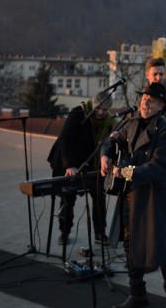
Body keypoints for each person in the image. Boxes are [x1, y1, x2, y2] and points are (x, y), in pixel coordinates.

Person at [100, 82, 166, 308]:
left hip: (153, 196)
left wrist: (125, 173)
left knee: (162, 248)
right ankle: (137, 293)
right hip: (130, 193)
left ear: (161, 105)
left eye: (151, 99)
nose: (145, 101)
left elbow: (159, 167)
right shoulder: (131, 121)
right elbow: (113, 140)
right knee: (129, 242)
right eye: (144, 97)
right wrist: (105, 155)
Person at [47, 92, 115, 246]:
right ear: (93, 104)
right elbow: (66, 138)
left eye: (105, 110)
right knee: (68, 197)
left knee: (99, 194)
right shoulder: (78, 113)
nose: (101, 113)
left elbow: (107, 143)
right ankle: (64, 233)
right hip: (68, 160)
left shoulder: (108, 121)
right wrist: (69, 164)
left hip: (92, 162)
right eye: (99, 108)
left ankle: (99, 233)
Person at [144, 57, 166, 127]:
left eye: (161, 74)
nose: (158, 78)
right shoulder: (142, 96)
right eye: (155, 74)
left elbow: (165, 127)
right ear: (147, 75)